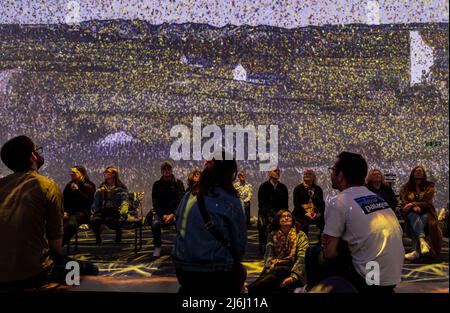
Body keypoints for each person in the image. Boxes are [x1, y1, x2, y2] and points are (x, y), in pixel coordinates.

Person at [0, 136, 97, 289]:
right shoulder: (47, 185)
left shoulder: (2, 184)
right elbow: (55, 246)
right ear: (33, 156)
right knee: (90, 268)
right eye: (37, 150)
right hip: (34, 272)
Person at [311, 152, 404, 293]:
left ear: (340, 175)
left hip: (370, 280)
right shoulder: (376, 197)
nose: (331, 174)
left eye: (333, 170)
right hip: (393, 276)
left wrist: (328, 243)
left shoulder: (338, 201)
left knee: (313, 252)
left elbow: (329, 253)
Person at [171, 151, 247, 295]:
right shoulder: (232, 201)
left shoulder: (189, 195)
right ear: (229, 172)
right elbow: (239, 245)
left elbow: (178, 224)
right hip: (216, 271)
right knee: (241, 272)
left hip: (183, 270)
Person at [248, 210, 309, 293]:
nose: (287, 218)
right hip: (275, 268)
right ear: (278, 221)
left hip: (293, 269)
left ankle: (249, 290)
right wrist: (269, 267)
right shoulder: (272, 235)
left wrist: (293, 277)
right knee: (268, 278)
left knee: (270, 279)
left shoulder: (301, 235)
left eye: (289, 216)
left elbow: (302, 258)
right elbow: (268, 256)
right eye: (283, 216)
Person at [400, 166, 442, 260]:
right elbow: (403, 201)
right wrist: (413, 207)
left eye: (420, 171)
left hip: (427, 212)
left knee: (418, 221)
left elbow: (427, 201)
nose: (418, 173)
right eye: (416, 171)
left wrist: (413, 204)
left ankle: (416, 251)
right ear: (412, 173)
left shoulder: (429, 186)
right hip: (411, 212)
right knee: (413, 216)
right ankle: (422, 241)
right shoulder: (406, 187)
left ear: (423, 174)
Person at [150, 161, 185, 257]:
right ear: (161, 171)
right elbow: (155, 203)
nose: (166, 171)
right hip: (162, 213)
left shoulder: (178, 183)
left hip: (175, 213)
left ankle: (180, 246)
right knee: (155, 224)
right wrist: (163, 215)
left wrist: (173, 214)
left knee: (181, 224)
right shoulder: (156, 185)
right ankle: (157, 246)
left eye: (168, 168)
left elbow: (181, 201)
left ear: (171, 170)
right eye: (164, 169)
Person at [91, 166, 129, 245]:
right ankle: (98, 237)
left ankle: (118, 232)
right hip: (103, 210)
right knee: (94, 220)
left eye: (108, 172)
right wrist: (94, 211)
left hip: (115, 211)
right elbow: (96, 202)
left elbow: (124, 202)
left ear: (113, 175)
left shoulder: (120, 188)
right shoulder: (101, 188)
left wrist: (123, 213)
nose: (105, 174)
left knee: (111, 221)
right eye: (105, 172)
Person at [257, 166, 289, 254]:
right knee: (263, 225)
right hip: (266, 214)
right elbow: (262, 204)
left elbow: (285, 205)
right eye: (275, 171)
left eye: (279, 171)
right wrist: (270, 216)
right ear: (269, 173)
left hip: (279, 214)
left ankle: (283, 245)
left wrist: (281, 215)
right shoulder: (263, 187)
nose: (278, 172)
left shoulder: (283, 187)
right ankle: (263, 244)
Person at [63, 166, 96, 246]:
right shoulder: (69, 185)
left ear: (81, 173)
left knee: (71, 224)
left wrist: (77, 191)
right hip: (70, 211)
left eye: (74, 172)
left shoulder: (89, 185)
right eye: (71, 172)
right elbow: (64, 199)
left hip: (82, 212)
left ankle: (60, 244)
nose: (71, 174)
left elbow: (88, 201)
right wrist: (64, 211)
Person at [293, 169, 325, 237]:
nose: (307, 175)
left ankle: (319, 245)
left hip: (315, 214)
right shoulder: (298, 188)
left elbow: (322, 204)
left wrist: (317, 214)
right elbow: (297, 205)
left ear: (314, 177)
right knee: (302, 223)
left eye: (309, 174)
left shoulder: (318, 189)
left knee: (323, 221)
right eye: (305, 174)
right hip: (302, 214)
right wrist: (306, 213)